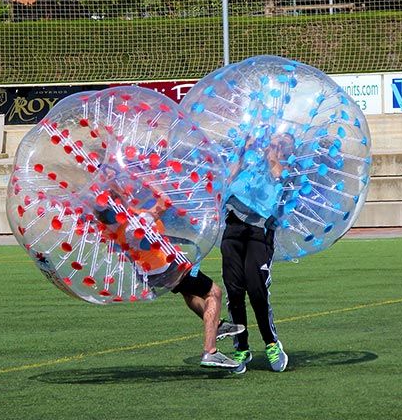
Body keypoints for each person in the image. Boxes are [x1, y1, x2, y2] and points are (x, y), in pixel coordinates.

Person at [94, 180, 244, 370]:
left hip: (152, 273)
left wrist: (116, 192)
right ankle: (210, 351)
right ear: (117, 206)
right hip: (168, 267)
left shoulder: (114, 229)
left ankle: (217, 325)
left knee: (188, 293)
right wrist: (146, 180)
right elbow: (164, 201)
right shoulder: (137, 222)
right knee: (214, 293)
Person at [220, 134, 294, 374]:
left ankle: (272, 344)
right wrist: (243, 150)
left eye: (279, 144)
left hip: (259, 232)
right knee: (234, 292)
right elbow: (228, 180)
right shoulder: (250, 164)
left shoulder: (283, 172)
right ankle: (241, 347)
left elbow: (277, 184)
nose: (272, 146)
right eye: (272, 141)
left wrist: (273, 155)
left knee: (257, 290)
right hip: (233, 227)